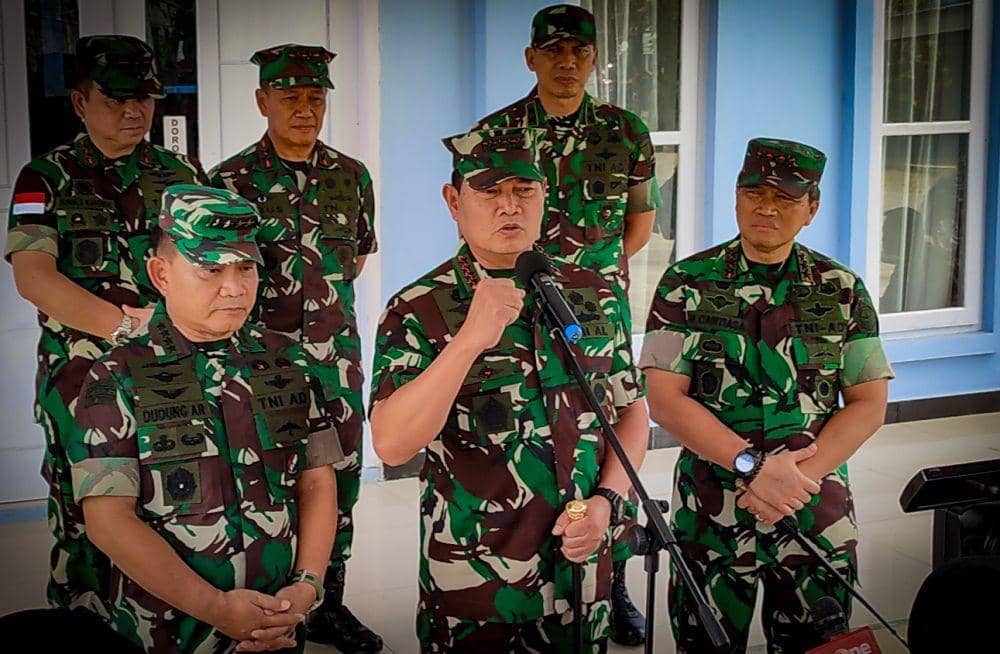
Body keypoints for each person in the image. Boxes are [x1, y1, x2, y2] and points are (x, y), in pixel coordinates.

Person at [369, 127, 648, 652]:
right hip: (477, 585)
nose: (509, 207)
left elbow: (630, 412)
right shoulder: (417, 309)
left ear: (546, 199)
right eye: (490, 192)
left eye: (524, 191)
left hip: (581, 578)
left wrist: (608, 502)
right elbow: (392, 444)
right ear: (454, 201)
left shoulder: (593, 294)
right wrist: (469, 340)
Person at [640, 138, 895, 653]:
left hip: (813, 509)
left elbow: (869, 402)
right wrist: (754, 467)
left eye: (786, 197)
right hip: (712, 510)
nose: (767, 207)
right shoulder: (684, 283)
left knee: (817, 644)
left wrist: (794, 478)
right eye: (754, 192)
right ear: (736, 197)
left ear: (812, 209)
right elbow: (664, 398)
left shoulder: (842, 288)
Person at [70, 184, 343, 653]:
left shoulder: (289, 361)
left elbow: (317, 482)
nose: (234, 287)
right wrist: (217, 608)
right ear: (162, 274)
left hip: (278, 623)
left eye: (245, 268)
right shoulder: (115, 376)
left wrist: (305, 588)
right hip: (168, 633)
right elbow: (109, 520)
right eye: (211, 270)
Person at [472, 7, 662, 641]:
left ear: (593, 60)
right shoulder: (497, 132)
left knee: (608, 431)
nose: (567, 63)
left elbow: (639, 222)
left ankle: (616, 579)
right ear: (532, 58)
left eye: (579, 52)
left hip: (596, 313)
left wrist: (593, 277)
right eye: (553, 51)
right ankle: (523, 576)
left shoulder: (626, 131)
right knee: (539, 440)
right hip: (515, 308)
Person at [5, 34, 206, 617]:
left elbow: (206, 264)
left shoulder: (181, 173)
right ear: (78, 101)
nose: (132, 111)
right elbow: (35, 278)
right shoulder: (46, 178)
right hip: (83, 381)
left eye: (142, 97)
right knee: (84, 518)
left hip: (168, 377)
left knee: (167, 505)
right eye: (115, 99)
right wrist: (127, 328)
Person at [208, 44, 380, 651]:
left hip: (336, 365)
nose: (305, 109)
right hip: (259, 367)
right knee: (263, 482)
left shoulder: (351, 176)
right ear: (263, 101)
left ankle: (327, 602)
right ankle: (263, 604)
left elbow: (352, 262)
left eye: (315, 97)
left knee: (340, 481)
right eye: (290, 97)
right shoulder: (227, 182)